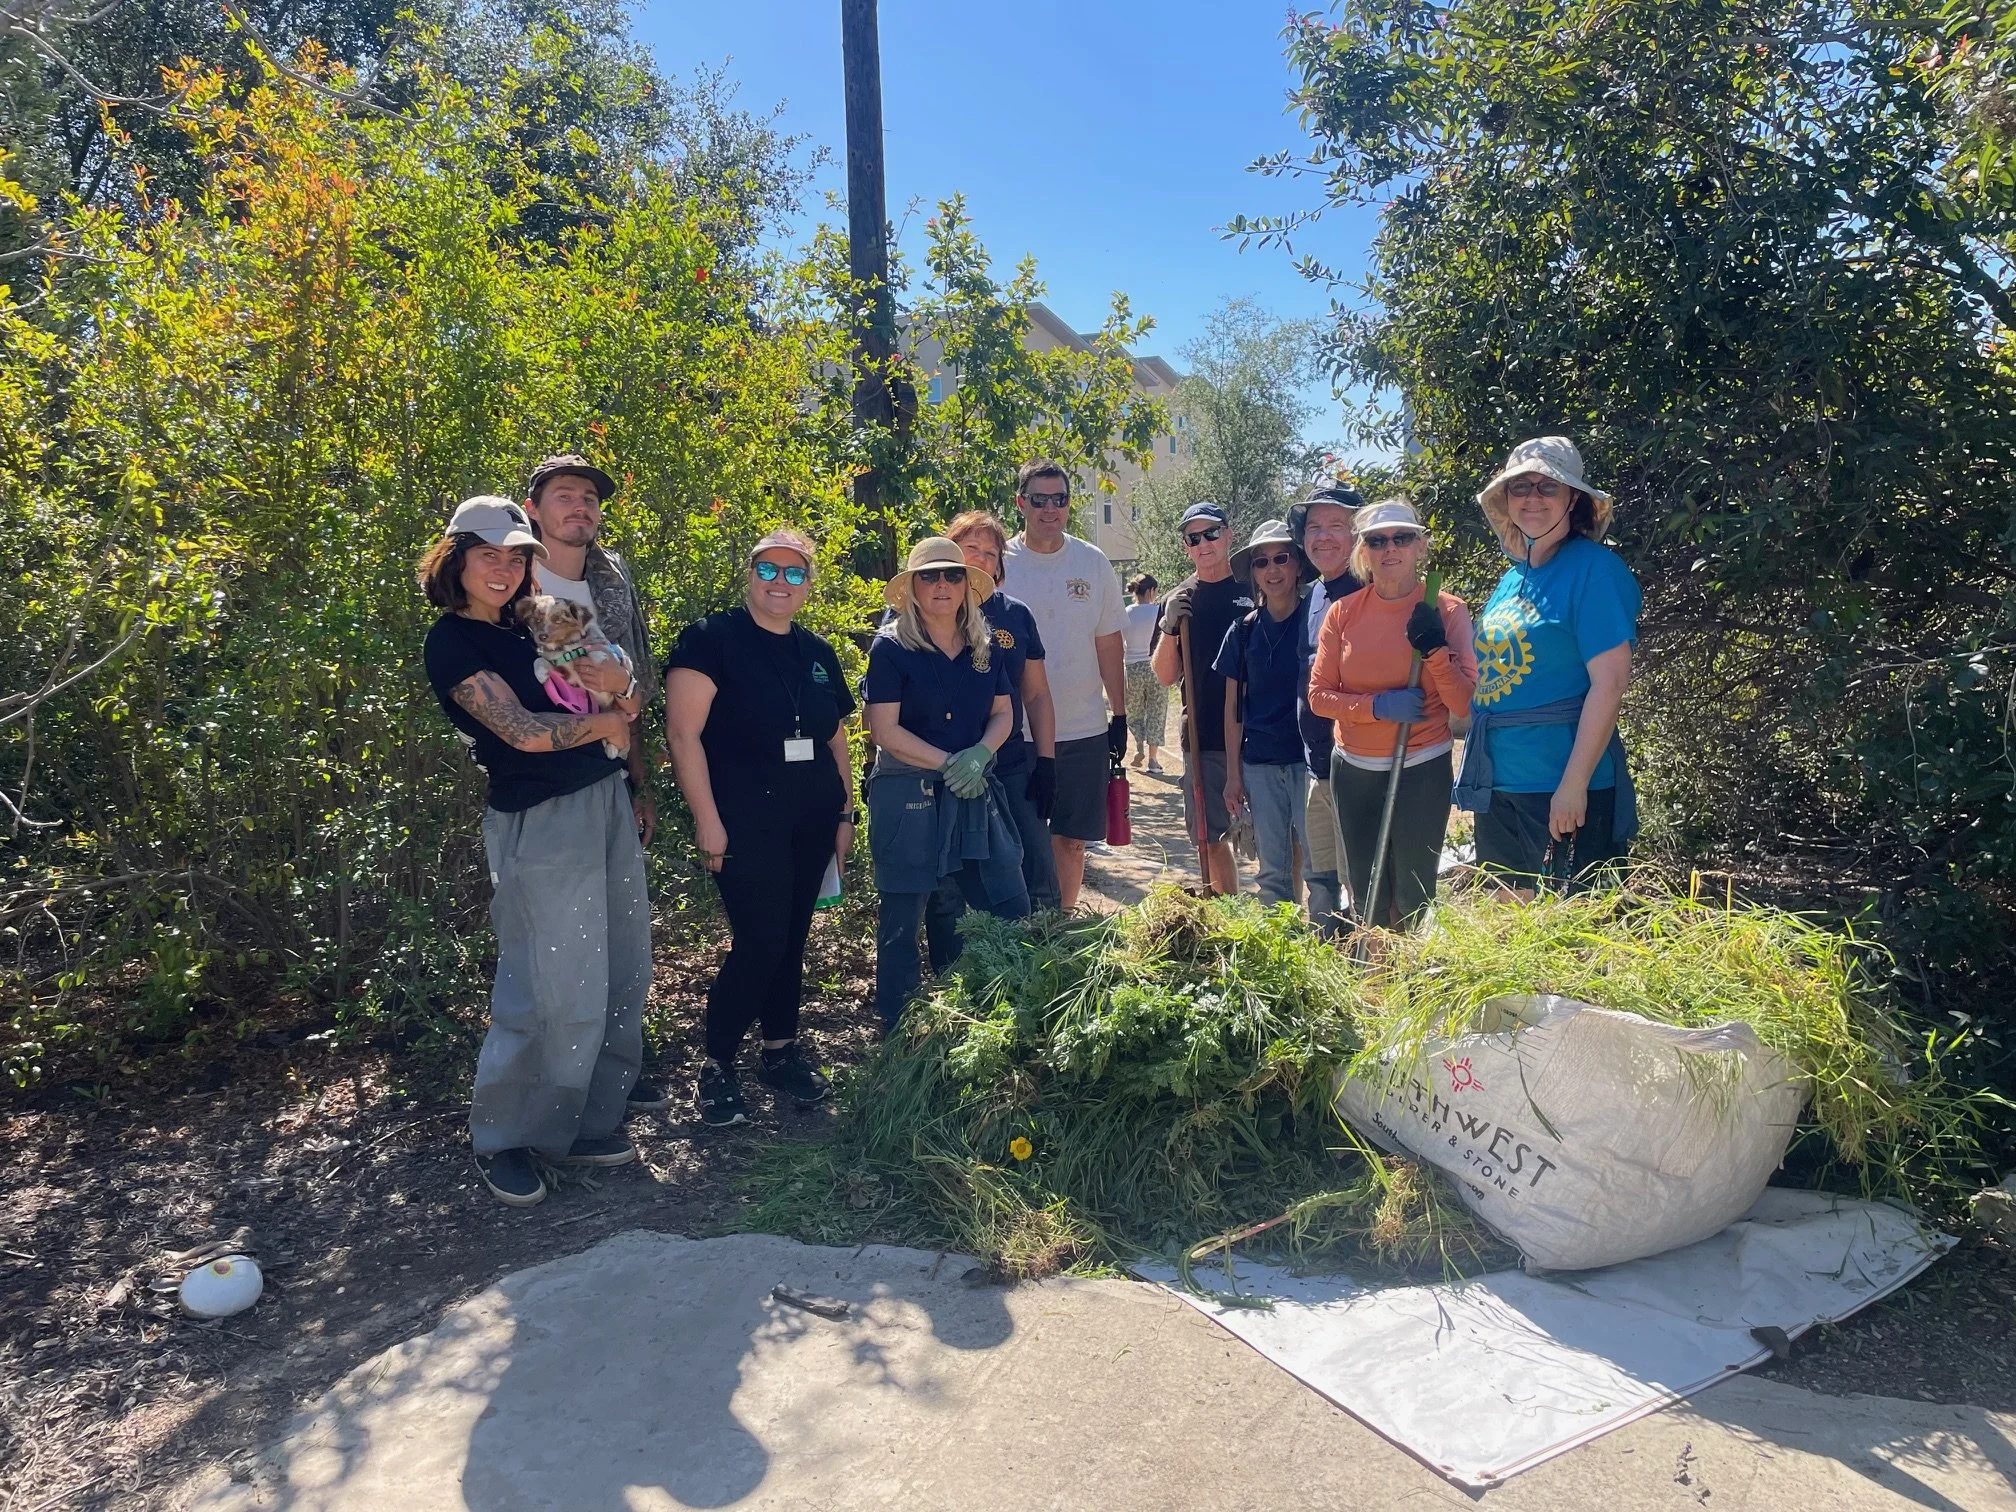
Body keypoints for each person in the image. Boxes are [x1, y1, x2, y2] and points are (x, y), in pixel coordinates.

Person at [418, 496, 646, 1209]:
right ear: (455, 559)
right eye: (490, 555)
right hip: (539, 820)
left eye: (517, 556)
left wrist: (620, 699)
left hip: (604, 797)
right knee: (547, 986)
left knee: (620, 971)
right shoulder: (453, 641)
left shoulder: (539, 617)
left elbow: (624, 695)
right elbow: (521, 731)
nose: (505, 569)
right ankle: (506, 1140)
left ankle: (579, 1123)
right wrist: (610, 716)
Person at [663, 530, 854, 1127]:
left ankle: (780, 1051)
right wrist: (707, 821)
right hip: (743, 820)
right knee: (761, 940)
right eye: (769, 569)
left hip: (813, 819)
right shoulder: (710, 640)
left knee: (793, 937)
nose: (780, 582)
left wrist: (846, 813)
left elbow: (835, 737)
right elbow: (682, 734)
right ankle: (716, 1064)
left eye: (795, 574)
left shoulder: (818, 652)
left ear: (808, 586)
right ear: (749, 574)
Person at [519, 453, 669, 1109]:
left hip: (610, 784)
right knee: (559, 963)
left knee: (622, 951)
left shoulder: (611, 579)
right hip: (546, 792)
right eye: (563, 495)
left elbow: (635, 691)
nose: (579, 506)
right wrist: (617, 694)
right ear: (534, 509)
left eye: (589, 497)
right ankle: (555, 1101)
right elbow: (574, 693)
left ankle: (611, 1084)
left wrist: (641, 782)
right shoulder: (514, 581)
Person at [1455, 436, 1640, 892]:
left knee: (1571, 933)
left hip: (1563, 783)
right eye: (1520, 487)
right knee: (1509, 923)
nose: (1532, 498)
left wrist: (1573, 785)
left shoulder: (1595, 570)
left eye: (1547, 487)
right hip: (1501, 783)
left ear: (1573, 498)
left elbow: (1610, 684)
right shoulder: (1512, 578)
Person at [865, 537, 1030, 1031]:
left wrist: (980, 755)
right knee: (904, 913)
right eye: (930, 576)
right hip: (907, 792)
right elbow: (884, 730)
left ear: (967, 585)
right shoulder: (891, 648)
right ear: (913, 588)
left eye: (952, 575)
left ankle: (971, 1015)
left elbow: (1004, 714)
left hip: (973, 786)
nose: (942, 585)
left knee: (992, 901)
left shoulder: (985, 646)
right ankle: (899, 1033)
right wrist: (949, 763)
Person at [1309, 499, 1478, 927]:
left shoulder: (1447, 610)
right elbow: (1319, 697)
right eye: (1377, 540)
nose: (1390, 548)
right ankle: (1376, 982)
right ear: (1363, 551)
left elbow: (1462, 704)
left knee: (1413, 892)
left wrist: (1436, 650)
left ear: (1420, 547)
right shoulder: (1343, 614)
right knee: (1368, 894)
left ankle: (1407, 984)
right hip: (1355, 769)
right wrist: (1377, 708)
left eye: (1402, 538)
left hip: (1421, 765)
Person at [925, 512, 1060, 953]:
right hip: (938, 772)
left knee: (1036, 868)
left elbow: (1036, 695)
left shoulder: (1015, 617)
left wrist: (1047, 762)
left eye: (991, 552)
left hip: (1009, 765)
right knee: (947, 886)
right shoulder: (917, 611)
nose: (981, 558)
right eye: (971, 548)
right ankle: (954, 982)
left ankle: (1041, 966)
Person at [1001, 460, 1128, 910]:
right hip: (1014, 733)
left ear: (1069, 505)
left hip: (1082, 728)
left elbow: (1109, 643)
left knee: (1072, 841)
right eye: (1039, 499)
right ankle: (1019, 934)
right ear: (1021, 504)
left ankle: (1061, 926)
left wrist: (1121, 715)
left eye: (1060, 499)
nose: (1050, 508)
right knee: (1017, 843)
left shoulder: (1092, 562)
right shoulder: (999, 564)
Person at [1151, 501, 1252, 894]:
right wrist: (1169, 626)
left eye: (1212, 533)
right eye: (1194, 538)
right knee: (1211, 837)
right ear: (1186, 547)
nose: (1204, 543)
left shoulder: (1254, 587)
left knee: (1284, 837)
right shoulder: (1180, 600)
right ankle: (1229, 918)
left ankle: (1285, 921)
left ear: (1229, 535)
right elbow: (1164, 675)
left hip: (1260, 735)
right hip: (1203, 737)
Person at [1214, 521, 1314, 905]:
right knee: (1272, 870)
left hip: (1310, 763)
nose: (1272, 570)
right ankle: (1279, 949)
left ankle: (1325, 944)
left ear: (1298, 566)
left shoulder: (1319, 621)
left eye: (1281, 559)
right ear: (1253, 573)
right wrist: (1233, 775)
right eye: (1261, 562)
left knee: (1319, 866)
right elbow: (1232, 710)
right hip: (1260, 763)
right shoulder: (1242, 631)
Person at [1287, 484, 1364, 934]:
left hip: (1359, 766)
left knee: (1360, 880)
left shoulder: (1371, 590)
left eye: (1337, 525)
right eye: (1314, 527)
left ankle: (1370, 975)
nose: (1323, 537)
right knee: (1320, 878)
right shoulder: (1314, 595)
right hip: (1317, 767)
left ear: (1357, 533)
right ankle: (1325, 967)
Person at [1122, 575, 1168, 773]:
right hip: (1155, 666)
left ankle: (1139, 746)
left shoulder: (1126, 612)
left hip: (1132, 666)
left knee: (1134, 711)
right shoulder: (1159, 612)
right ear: (1151, 591)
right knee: (1157, 711)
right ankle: (1153, 759)